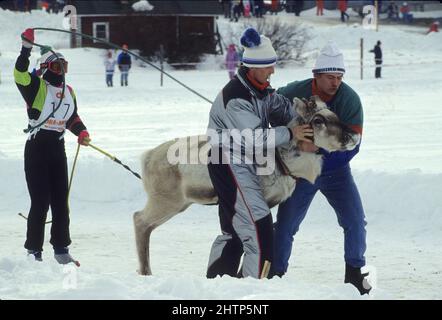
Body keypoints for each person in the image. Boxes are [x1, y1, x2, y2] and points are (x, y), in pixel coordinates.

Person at [206, 28, 309, 279]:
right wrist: (291, 133)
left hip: (241, 162)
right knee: (258, 228)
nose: (273, 71)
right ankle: (253, 293)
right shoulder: (236, 98)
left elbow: (282, 109)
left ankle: (217, 288)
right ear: (253, 67)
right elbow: (256, 139)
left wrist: (306, 121)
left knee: (235, 232)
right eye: (268, 67)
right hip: (229, 162)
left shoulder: (261, 90)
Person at [271, 41, 371, 295]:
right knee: (286, 225)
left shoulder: (349, 100)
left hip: (336, 172)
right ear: (315, 76)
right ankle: (275, 273)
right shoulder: (295, 91)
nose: (335, 83)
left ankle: (355, 274)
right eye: (330, 77)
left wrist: (318, 151)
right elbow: (268, 106)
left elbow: (353, 146)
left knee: (355, 220)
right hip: (302, 174)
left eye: (339, 77)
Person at [14, 28, 91, 265]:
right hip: (37, 148)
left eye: (64, 67)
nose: (62, 72)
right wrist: (26, 47)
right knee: (40, 202)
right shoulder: (36, 86)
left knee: (61, 202)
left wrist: (81, 131)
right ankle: (33, 251)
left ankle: (61, 248)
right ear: (46, 68)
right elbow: (19, 73)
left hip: (58, 148)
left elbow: (72, 117)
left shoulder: (69, 92)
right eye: (57, 67)